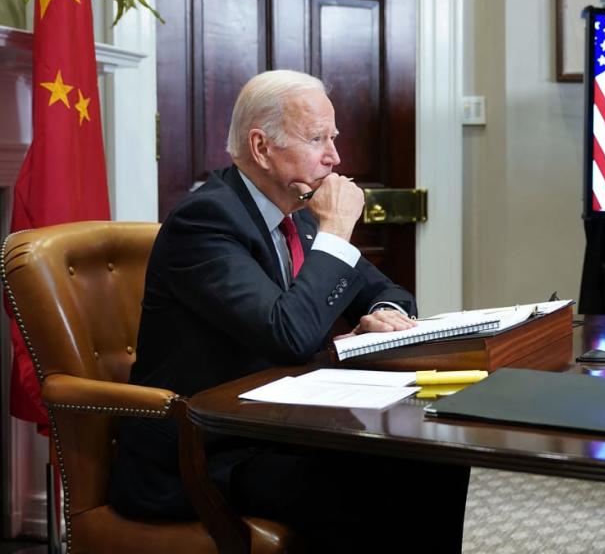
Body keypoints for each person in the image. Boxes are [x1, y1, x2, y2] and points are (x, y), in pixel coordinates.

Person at [108, 70, 469, 551]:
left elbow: (393, 294)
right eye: (316, 138)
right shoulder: (205, 222)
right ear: (261, 147)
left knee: (435, 461)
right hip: (204, 451)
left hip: (282, 431)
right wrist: (338, 230)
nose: (335, 157)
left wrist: (382, 312)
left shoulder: (298, 214)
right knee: (376, 490)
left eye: (333, 138)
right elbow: (288, 335)